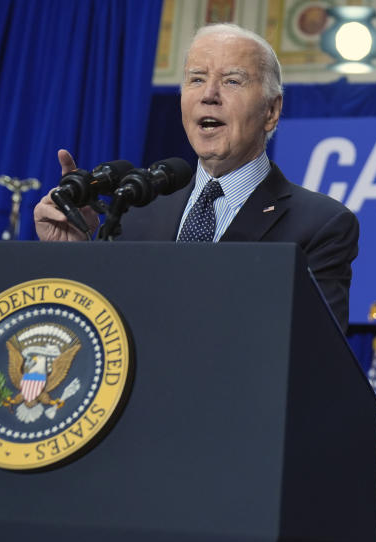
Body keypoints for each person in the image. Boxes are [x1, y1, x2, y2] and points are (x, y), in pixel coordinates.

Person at [33, 23, 359, 332]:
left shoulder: (321, 226)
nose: (209, 95)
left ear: (271, 112)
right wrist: (74, 258)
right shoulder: (134, 214)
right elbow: (102, 334)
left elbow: (312, 354)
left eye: (232, 81)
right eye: (196, 79)